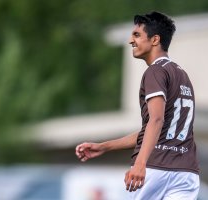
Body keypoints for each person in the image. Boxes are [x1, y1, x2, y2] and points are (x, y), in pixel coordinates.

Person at [75, 11, 200, 200]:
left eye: (137, 35)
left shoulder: (155, 72)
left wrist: (140, 164)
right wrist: (104, 146)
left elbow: (156, 120)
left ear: (155, 40)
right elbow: (155, 128)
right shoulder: (182, 75)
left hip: (156, 167)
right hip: (186, 173)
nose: (130, 41)